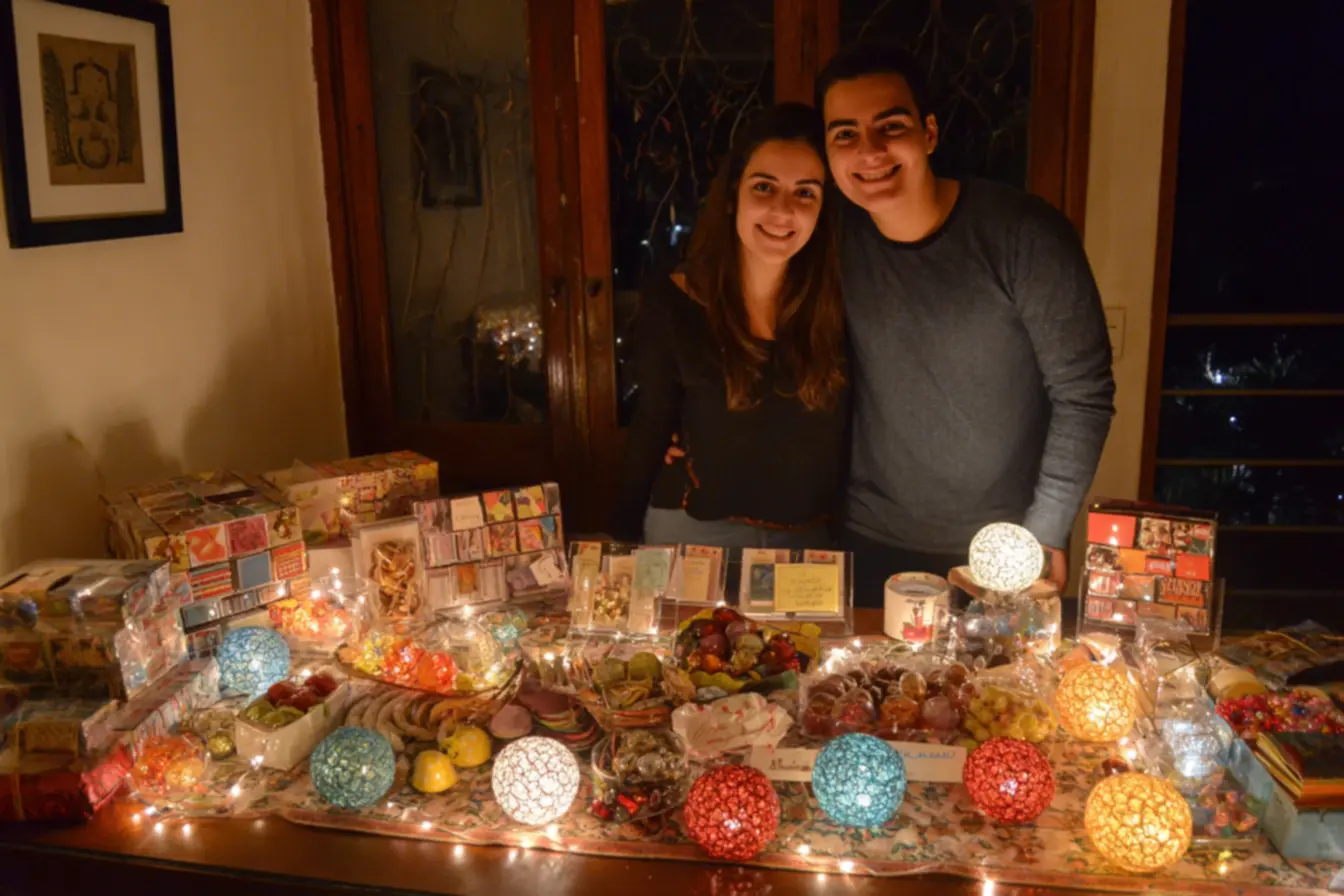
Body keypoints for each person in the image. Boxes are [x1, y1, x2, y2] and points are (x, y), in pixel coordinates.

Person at [816, 43, 1116, 605]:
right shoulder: (831, 239)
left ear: (929, 133)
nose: (870, 151)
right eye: (845, 135)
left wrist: (1047, 528)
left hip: (1001, 547)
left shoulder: (1023, 235)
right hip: (865, 537)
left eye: (891, 126)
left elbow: (1084, 393)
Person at [609, 102, 848, 549]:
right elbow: (653, 420)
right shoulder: (676, 300)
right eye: (764, 187)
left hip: (809, 540)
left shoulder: (842, 302)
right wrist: (620, 541)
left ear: (822, 209)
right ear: (734, 192)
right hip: (692, 528)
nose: (782, 211)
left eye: (805, 193)